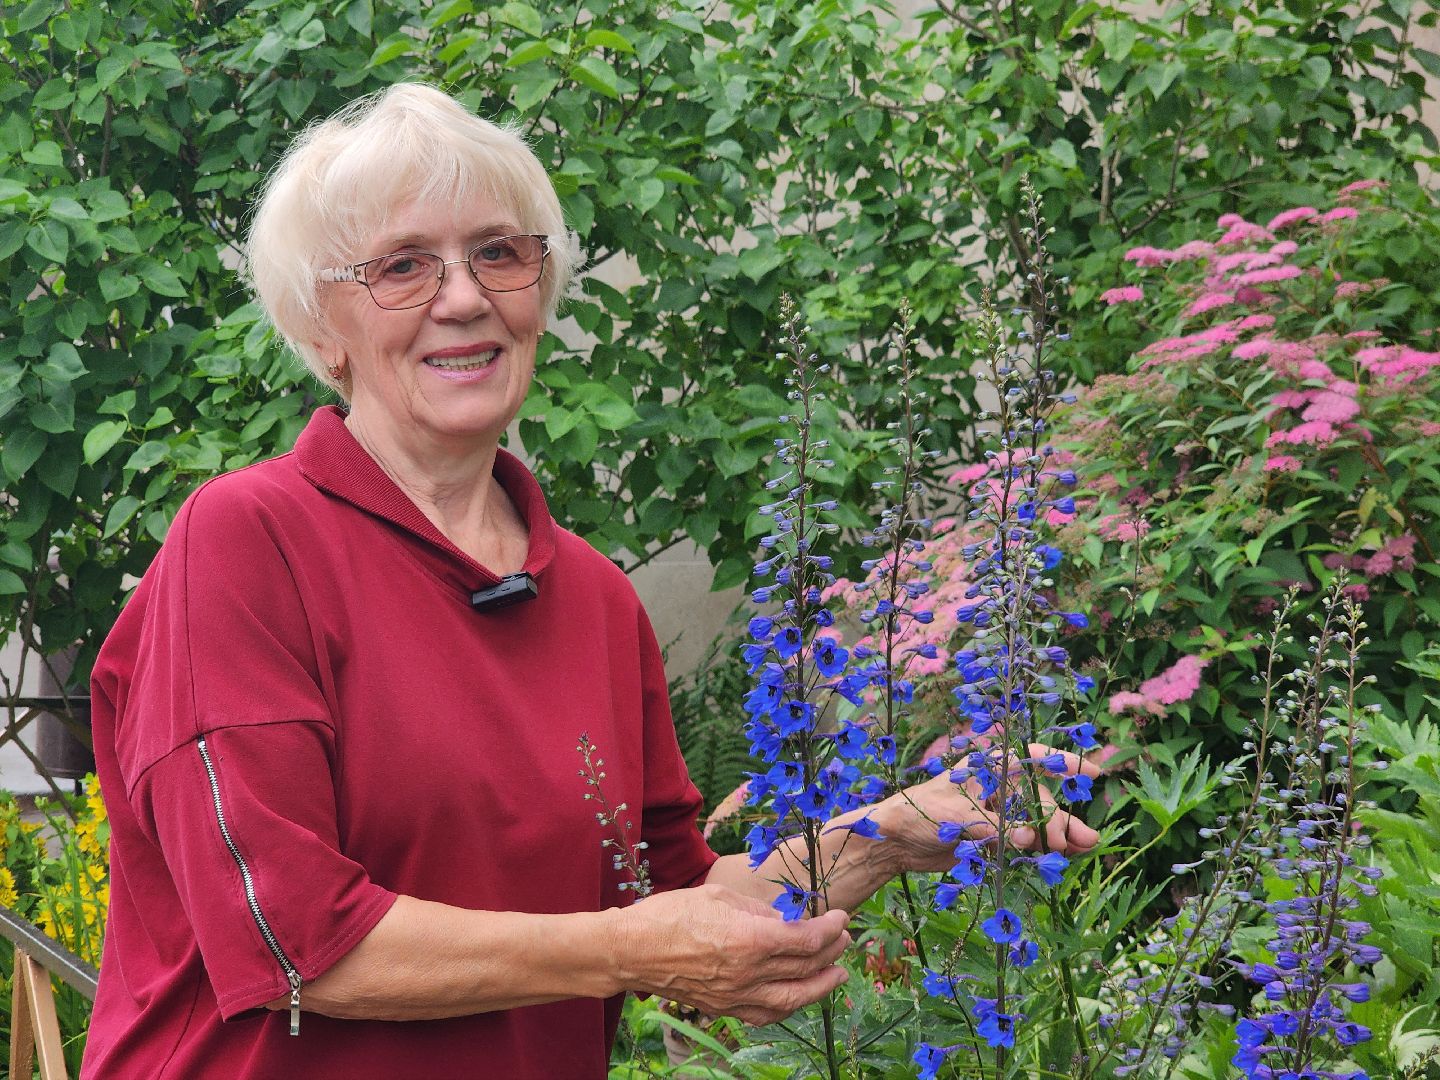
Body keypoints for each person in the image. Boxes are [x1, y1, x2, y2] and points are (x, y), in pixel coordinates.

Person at [81, 83, 1098, 1079]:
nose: (466, 297)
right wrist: (627, 947)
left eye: (499, 252)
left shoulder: (594, 600)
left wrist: (891, 831)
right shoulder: (250, 541)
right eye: (402, 267)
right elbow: (293, 938)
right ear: (318, 331)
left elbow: (685, 909)